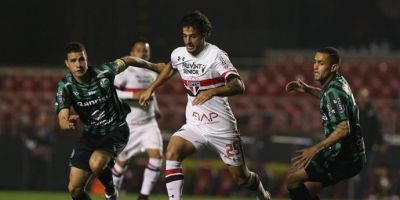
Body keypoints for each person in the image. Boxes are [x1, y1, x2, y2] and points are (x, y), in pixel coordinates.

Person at [138, 10, 271, 200]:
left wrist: (213, 91)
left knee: (241, 178)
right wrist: (151, 88)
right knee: (173, 151)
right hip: (195, 124)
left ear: (204, 35)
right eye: (185, 36)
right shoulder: (179, 53)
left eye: (193, 36)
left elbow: (238, 85)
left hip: (220, 127)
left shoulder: (216, 55)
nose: (188, 41)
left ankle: (263, 195)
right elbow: (170, 67)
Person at [55, 41, 163, 200]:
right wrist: (66, 123)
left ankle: (111, 190)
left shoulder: (103, 72)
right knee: (74, 189)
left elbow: (128, 60)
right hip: (90, 135)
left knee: (96, 163)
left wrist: (154, 66)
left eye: (81, 59)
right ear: (67, 63)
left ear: (86, 59)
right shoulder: (65, 86)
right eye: (73, 60)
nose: (78, 64)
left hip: (116, 130)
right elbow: (62, 117)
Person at [285, 47, 367, 200]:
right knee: (308, 190)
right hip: (352, 154)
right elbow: (328, 97)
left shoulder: (332, 92)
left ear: (334, 67)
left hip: (343, 158)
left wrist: (315, 149)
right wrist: (308, 89)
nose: (315, 66)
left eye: (321, 63)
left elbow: (343, 129)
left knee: (292, 180)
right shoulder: (338, 82)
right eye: (315, 62)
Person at [112, 39, 163, 200]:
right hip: (129, 125)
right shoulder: (124, 72)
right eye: (139, 50)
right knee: (121, 163)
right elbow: (111, 94)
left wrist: (156, 109)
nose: (143, 52)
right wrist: (132, 95)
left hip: (149, 123)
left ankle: (144, 196)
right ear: (132, 53)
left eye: (145, 50)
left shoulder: (152, 73)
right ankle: (112, 196)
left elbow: (151, 93)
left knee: (157, 156)